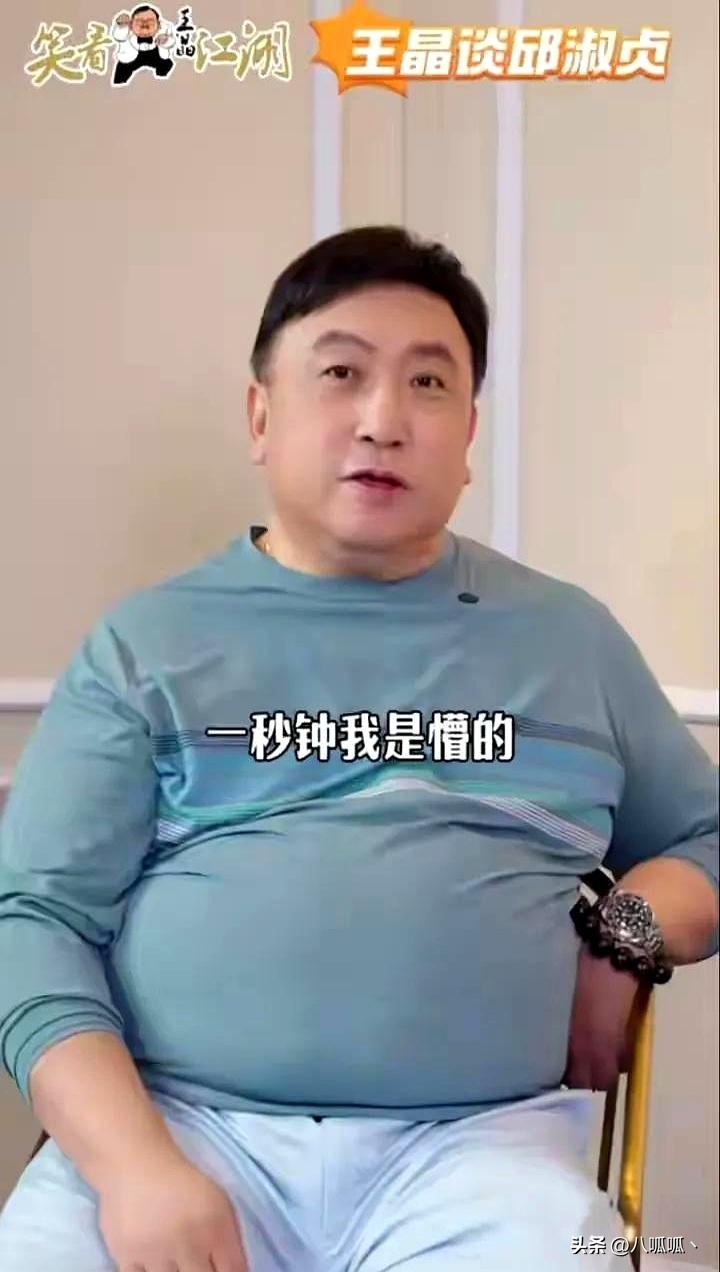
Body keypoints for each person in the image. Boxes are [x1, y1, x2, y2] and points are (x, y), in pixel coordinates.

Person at [0, 225, 717, 1272]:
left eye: (429, 383)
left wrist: (625, 932)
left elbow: (706, 836)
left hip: (479, 1150)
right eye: (341, 373)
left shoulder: (568, 641)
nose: (384, 421)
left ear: (468, 435)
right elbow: (34, 919)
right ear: (261, 415)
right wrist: (135, 1168)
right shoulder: (147, 647)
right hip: (179, 1128)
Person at [111, 6, 175, 87]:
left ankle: (163, 84)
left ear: (159, 25)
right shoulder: (126, 30)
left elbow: (172, 42)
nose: (145, 24)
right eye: (139, 21)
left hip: (155, 54)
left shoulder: (165, 28)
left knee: (167, 64)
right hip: (131, 55)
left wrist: (166, 40)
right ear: (131, 25)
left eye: (150, 21)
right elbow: (118, 36)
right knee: (121, 72)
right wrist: (121, 25)